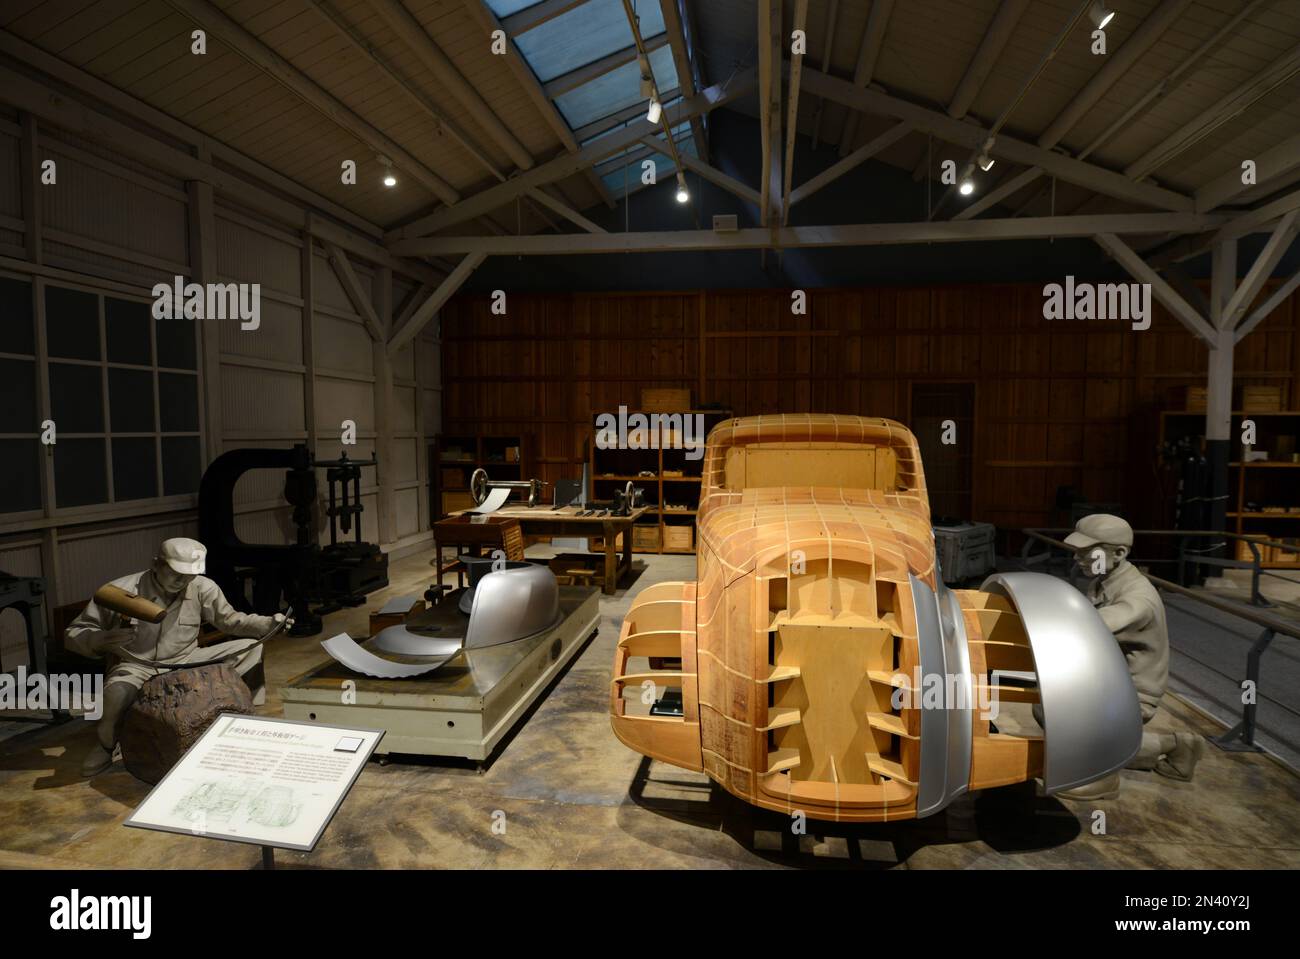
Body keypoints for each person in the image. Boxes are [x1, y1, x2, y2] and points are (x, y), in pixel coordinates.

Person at [66, 537, 291, 777]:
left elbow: (231, 621)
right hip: (138, 664)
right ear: (156, 564)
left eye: (189, 575)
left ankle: (245, 718)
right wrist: (100, 639)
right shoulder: (121, 591)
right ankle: (105, 744)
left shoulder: (202, 588)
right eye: (175, 573)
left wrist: (268, 623)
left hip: (187, 658)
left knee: (251, 647)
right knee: (116, 693)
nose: (182, 581)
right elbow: (74, 633)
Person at [1057, 514, 1203, 800]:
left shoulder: (1137, 599)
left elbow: (1089, 627)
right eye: (1077, 551)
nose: (1078, 558)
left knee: (1069, 721)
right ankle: (1174, 746)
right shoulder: (1104, 581)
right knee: (1049, 713)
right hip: (1108, 682)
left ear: (1120, 553)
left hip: (1131, 695)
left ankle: (1103, 775)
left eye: (1087, 552)